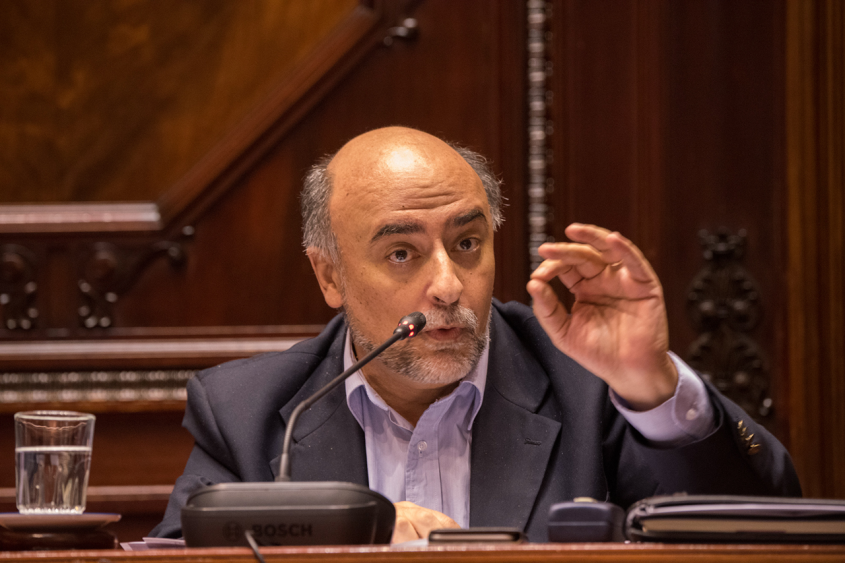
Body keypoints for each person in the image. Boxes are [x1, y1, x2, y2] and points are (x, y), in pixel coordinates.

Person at [151, 126, 800, 542]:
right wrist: (350, 540)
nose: (447, 285)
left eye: (466, 243)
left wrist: (650, 385)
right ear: (329, 275)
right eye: (401, 253)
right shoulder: (251, 413)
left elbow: (762, 529)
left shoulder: (590, 386)